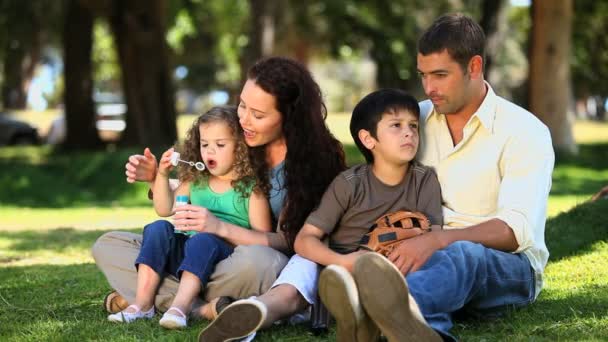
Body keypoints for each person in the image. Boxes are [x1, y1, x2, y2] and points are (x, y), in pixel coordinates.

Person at [311, 13, 555, 342]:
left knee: (464, 254)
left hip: (505, 267)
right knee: (415, 265)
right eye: (423, 75)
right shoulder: (414, 121)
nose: (429, 88)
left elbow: (513, 232)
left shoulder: (525, 132)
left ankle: (373, 311)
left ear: (474, 67)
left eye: (440, 75)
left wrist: (437, 240)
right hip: (418, 257)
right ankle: (420, 328)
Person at [92, 57, 346, 339]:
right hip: (197, 256)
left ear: (289, 117)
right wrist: (157, 177)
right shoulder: (240, 141)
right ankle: (202, 306)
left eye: (258, 115)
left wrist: (220, 228)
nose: (244, 120)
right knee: (110, 245)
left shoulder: (310, 167)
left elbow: (292, 243)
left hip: (246, 262)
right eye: (242, 105)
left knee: (262, 262)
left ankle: (157, 298)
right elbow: (204, 186)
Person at [294, 88, 444, 341]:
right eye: (396, 125)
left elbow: (435, 236)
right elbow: (304, 239)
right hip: (345, 265)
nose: (409, 132)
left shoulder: (424, 179)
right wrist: (343, 262)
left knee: (434, 268)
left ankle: (367, 317)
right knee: (328, 277)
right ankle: (351, 307)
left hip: (397, 267)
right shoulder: (349, 183)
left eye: (414, 126)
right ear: (368, 139)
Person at [106, 106, 272, 329]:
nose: (209, 151)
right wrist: (162, 175)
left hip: (224, 261)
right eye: (205, 145)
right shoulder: (195, 180)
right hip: (187, 256)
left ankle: (180, 308)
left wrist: (217, 227)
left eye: (220, 145)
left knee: (203, 239)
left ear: (241, 147)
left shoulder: (252, 189)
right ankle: (143, 305)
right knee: (157, 228)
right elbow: (165, 209)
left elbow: (262, 241)